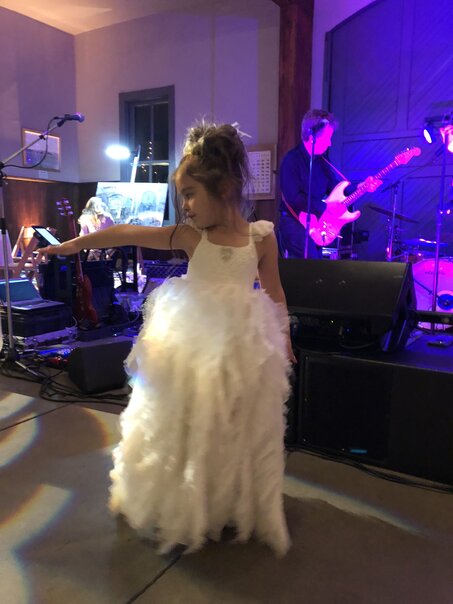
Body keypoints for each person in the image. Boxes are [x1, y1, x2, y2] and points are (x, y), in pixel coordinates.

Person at [42, 121, 295, 556]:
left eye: (191, 194)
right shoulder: (192, 236)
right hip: (192, 341)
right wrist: (73, 245)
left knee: (234, 420)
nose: (185, 206)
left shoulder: (262, 238)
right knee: (188, 416)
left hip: (242, 344)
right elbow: (125, 232)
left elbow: (275, 292)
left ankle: (225, 495)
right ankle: (185, 496)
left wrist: (284, 337)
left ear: (225, 187)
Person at [278, 108, 382, 258]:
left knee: (317, 265)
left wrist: (361, 187)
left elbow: (334, 187)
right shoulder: (291, 160)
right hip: (294, 223)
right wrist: (326, 207)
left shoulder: (322, 160)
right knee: (310, 265)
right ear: (312, 137)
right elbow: (293, 198)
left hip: (317, 222)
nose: (330, 143)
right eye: (327, 138)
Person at [78, 196, 115, 261]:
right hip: (106, 251)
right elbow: (114, 236)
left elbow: (83, 238)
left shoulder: (84, 218)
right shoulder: (108, 217)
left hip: (94, 252)